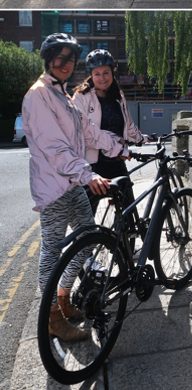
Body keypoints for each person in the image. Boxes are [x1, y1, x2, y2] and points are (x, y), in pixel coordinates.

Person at [22, 34, 131, 342]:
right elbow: (54, 146)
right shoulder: (38, 95)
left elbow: (88, 132)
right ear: (48, 60)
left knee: (87, 241)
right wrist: (88, 174)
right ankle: (52, 318)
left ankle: (64, 299)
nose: (66, 64)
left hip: (70, 185)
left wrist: (119, 147)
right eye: (60, 58)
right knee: (53, 252)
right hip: (52, 188)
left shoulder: (63, 96)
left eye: (71, 59)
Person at [71, 49, 148, 223]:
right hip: (92, 166)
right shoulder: (81, 97)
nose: (102, 77)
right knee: (85, 222)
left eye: (106, 72)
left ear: (112, 72)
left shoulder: (118, 96)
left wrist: (141, 139)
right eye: (97, 73)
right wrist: (116, 143)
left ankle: (124, 246)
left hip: (117, 162)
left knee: (128, 215)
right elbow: (86, 134)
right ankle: (88, 248)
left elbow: (127, 125)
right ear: (91, 75)